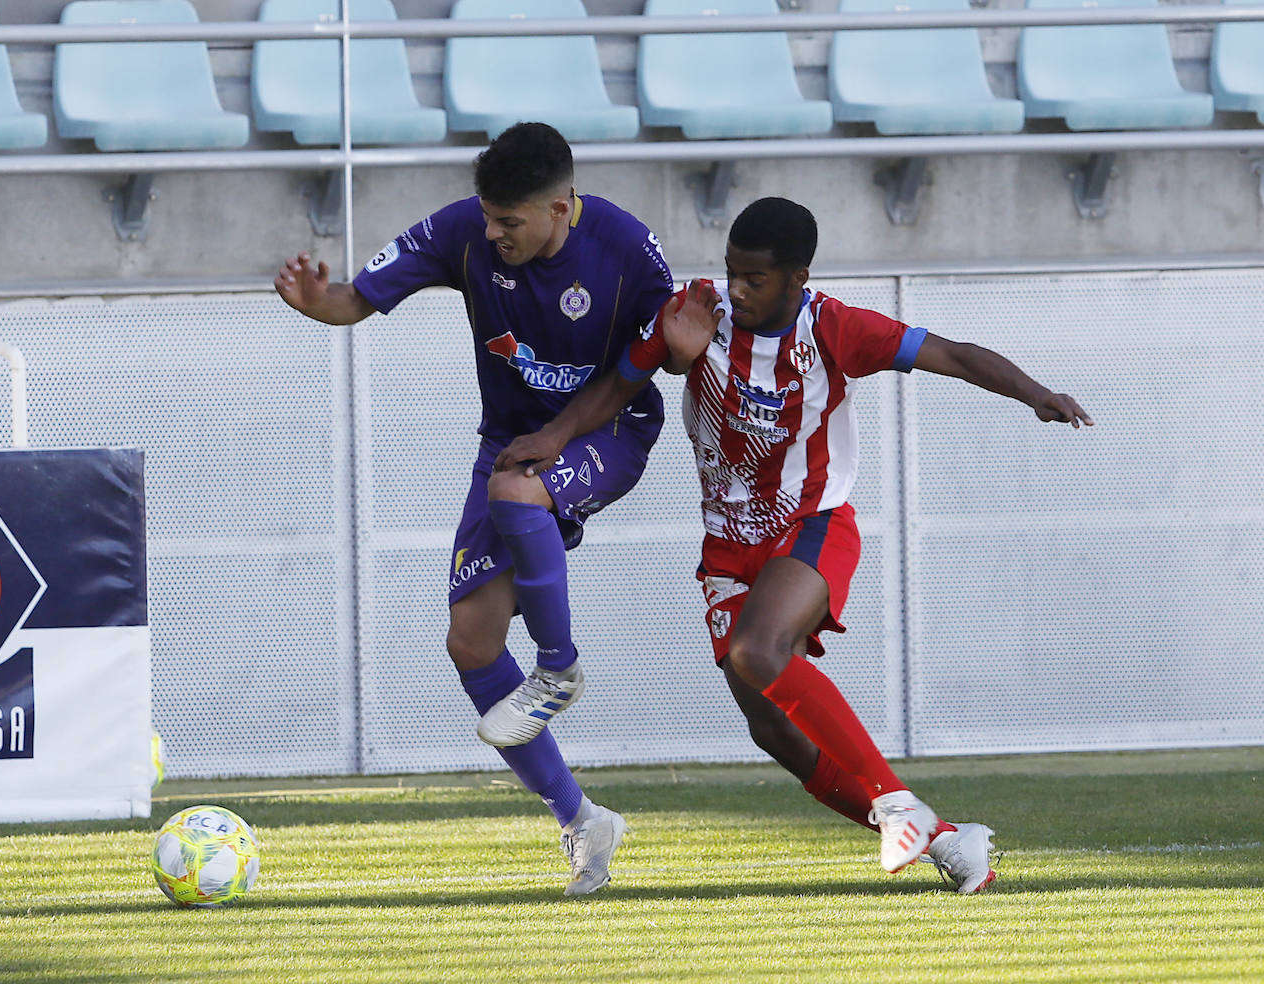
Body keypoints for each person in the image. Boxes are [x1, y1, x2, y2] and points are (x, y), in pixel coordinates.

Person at [493, 196, 1094, 893]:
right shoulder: (695, 312)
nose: (737, 291)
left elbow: (950, 354)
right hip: (726, 545)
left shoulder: (834, 328)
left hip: (810, 524)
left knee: (758, 651)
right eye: (731, 273)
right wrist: (556, 437)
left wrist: (1033, 392)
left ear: (797, 278)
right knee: (772, 730)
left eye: (755, 279)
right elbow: (620, 383)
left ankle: (899, 803)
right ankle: (945, 841)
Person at [274, 122, 674, 896]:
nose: (492, 233)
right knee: (471, 642)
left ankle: (558, 668)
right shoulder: (468, 230)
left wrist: (580, 419)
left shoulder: (627, 250)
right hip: (512, 442)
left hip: (608, 429)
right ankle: (582, 820)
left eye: (510, 221)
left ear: (561, 208)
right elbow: (356, 298)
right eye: (488, 217)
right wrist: (321, 303)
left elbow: (664, 352)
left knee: (516, 488)